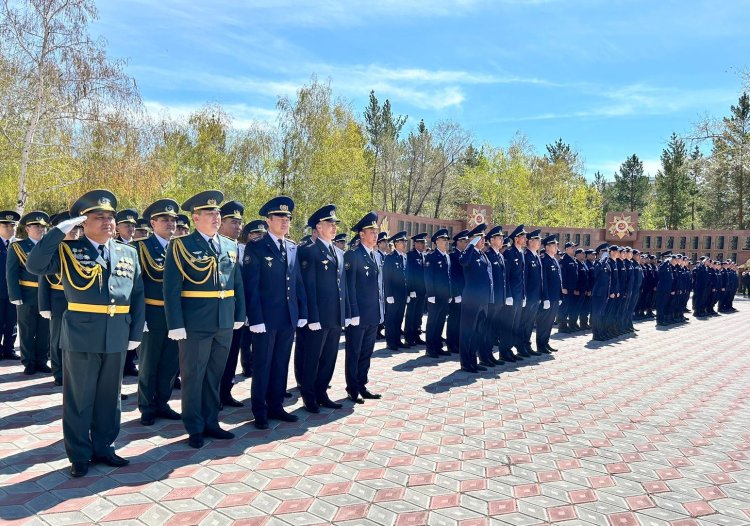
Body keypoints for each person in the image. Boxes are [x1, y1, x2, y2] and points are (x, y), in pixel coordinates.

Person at [26, 189, 145, 478]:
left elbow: (138, 293)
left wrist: (135, 331)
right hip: (81, 335)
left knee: (110, 397)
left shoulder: (128, 252)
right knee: (80, 399)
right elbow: (34, 265)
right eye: (98, 217)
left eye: (110, 217)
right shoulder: (68, 251)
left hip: (117, 333)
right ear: (84, 223)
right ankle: (79, 454)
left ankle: (105, 447)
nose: (107, 222)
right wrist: (57, 233)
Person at [163, 190, 246, 449]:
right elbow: (171, 288)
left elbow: (237, 283)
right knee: (193, 376)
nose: (216, 217)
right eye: (210, 213)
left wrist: (239, 314)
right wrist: (175, 323)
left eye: (218, 213)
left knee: (214, 375)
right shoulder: (181, 245)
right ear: (195, 218)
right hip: (195, 323)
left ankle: (211, 421)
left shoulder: (230, 245)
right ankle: (194, 426)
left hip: (224, 321)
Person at [244, 196, 307, 429]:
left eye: (288, 217)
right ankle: (259, 409)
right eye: (280, 217)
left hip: (287, 317)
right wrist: (256, 319)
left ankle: (276, 405)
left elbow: (297, 282)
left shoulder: (292, 247)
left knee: (281, 362)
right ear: (268, 220)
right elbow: (252, 286)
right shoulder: (257, 247)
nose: (285, 221)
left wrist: (301, 312)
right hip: (266, 319)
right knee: (263, 364)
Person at [135, 199, 182, 426]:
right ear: (153, 223)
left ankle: (163, 402)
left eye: (173, 220)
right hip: (151, 313)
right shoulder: (141, 247)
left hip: (175, 316)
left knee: (170, 363)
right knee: (149, 363)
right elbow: (136, 286)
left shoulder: (181, 247)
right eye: (165, 219)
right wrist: (139, 316)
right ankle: (146, 406)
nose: (170, 224)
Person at [298, 204, 348, 413]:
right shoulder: (309, 251)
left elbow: (341, 286)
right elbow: (308, 287)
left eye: (335, 223)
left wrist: (344, 314)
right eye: (329, 223)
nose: (334, 227)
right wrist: (313, 317)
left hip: (335, 315)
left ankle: (322, 393)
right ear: (318, 227)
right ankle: (309, 396)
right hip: (318, 316)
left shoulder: (337, 252)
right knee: (312, 358)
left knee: (329, 357)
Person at [38, 212, 82, 386]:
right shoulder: (54, 251)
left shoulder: (83, 249)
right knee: (57, 339)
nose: (75, 232)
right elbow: (43, 278)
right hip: (58, 300)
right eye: (71, 228)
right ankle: (59, 373)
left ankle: (77, 374)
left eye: (78, 228)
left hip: (80, 302)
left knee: (78, 341)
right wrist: (44, 306)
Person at [343, 212, 382, 403]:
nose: (375, 235)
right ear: (361, 234)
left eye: (376, 231)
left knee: (366, 353)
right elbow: (349, 286)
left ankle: (362, 384)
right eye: (371, 232)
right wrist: (352, 313)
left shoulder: (376, 255)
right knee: (354, 353)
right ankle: (352, 388)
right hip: (358, 315)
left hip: (373, 314)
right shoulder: (353, 255)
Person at [8, 211, 51, 375]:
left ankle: (41, 360)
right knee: (27, 329)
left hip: (46, 294)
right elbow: (11, 273)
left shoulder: (50, 246)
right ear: (27, 228)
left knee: (44, 330)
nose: (40, 229)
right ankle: (28, 362)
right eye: (36, 226)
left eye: (43, 226)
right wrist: (15, 295)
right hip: (27, 294)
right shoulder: (18, 247)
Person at [216, 200, 246, 409]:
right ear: (221, 223)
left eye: (240, 222)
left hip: (235, 313)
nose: (238, 227)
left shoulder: (242, 248)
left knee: (232, 354)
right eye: (233, 222)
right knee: (216, 359)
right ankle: (213, 395)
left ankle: (225, 392)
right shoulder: (215, 245)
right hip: (216, 312)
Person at [458, 223, 492, 373]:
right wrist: (470, 244)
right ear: (472, 239)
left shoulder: (482, 254)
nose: (483, 241)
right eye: (480, 238)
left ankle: (473, 360)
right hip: (471, 300)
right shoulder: (469, 253)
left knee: (478, 332)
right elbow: (462, 261)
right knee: (467, 332)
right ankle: (466, 362)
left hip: (483, 301)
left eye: (484, 238)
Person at [238, 219, 267, 377]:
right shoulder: (240, 249)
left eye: (262, 233)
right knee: (245, 338)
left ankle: (254, 365)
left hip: (260, 300)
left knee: (258, 338)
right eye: (256, 233)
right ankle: (246, 366)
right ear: (247, 235)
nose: (259, 236)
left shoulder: (262, 250)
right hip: (244, 299)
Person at [423, 228, 453, 359]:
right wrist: (430, 295)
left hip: (445, 296)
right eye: (444, 240)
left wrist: (450, 294)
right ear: (437, 242)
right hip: (435, 296)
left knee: (441, 321)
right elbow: (428, 278)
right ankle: (430, 348)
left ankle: (438, 346)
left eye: (447, 240)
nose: (446, 242)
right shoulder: (431, 256)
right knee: (432, 322)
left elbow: (449, 277)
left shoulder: (447, 256)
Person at [479, 226, 506, 366]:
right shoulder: (487, 254)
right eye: (499, 238)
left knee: (493, 328)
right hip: (491, 299)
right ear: (491, 240)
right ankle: (484, 356)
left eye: (502, 238)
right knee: (486, 328)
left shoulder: (500, 255)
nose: (502, 240)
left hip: (499, 299)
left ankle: (489, 354)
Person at [383, 231, 409, 351]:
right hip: (393, 294)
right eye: (402, 241)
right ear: (396, 243)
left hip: (402, 294)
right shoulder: (390, 258)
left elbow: (406, 277)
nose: (404, 243)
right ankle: (390, 341)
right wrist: (388, 294)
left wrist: (407, 293)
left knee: (399, 318)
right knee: (391, 319)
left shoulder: (404, 257)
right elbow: (387, 277)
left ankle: (397, 340)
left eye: (405, 241)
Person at [504, 225, 528, 359]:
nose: (525, 239)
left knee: (516, 324)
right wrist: (508, 295)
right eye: (523, 237)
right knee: (509, 324)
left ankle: (510, 350)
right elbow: (506, 276)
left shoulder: (521, 253)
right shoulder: (509, 253)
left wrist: (523, 295)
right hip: (512, 295)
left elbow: (522, 277)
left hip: (519, 295)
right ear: (516, 239)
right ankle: (504, 351)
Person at [520, 229, 545, 355]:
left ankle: (527, 345)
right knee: (524, 322)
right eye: (537, 240)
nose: (539, 242)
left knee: (530, 323)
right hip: (529, 296)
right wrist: (525, 295)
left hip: (536, 296)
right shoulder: (526, 256)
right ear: (530, 242)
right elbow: (524, 278)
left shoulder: (536, 256)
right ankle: (521, 346)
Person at [0, 211, 20, 360]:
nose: (9, 228)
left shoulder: (20, 245)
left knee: (12, 322)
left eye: (12, 225)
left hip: (14, 291)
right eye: (5, 225)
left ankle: (9, 349)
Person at [446, 230, 469, 355]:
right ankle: (451, 344)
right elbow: (453, 277)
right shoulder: (453, 256)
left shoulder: (465, 255)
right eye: (463, 241)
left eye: (466, 241)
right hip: (458, 294)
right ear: (457, 243)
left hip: (466, 293)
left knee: (462, 320)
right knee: (454, 320)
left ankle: (458, 343)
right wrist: (456, 294)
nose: (466, 243)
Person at [538, 235, 562, 353]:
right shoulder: (544, 260)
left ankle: (546, 342)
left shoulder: (554, 260)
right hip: (548, 298)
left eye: (556, 245)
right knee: (544, 322)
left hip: (555, 297)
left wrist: (560, 296)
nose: (556, 247)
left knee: (550, 322)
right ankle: (541, 345)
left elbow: (559, 281)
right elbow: (544, 281)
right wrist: (545, 298)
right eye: (554, 245)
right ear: (547, 247)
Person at [404, 233, 427, 346]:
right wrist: (410, 290)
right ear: (416, 243)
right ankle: (409, 337)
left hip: (422, 291)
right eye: (422, 243)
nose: (424, 245)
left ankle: (416, 335)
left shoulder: (423, 255)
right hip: (414, 291)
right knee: (411, 314)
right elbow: (409, 274)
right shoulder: (410, 255)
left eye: (424, 243)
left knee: (419, 315)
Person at [591, 243, 612, 341]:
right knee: (597, 314)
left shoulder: (607, 264)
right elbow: (595, 274)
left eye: (607, 252)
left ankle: (601, 332)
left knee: (602, 314)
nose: (607, 254)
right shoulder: (598, 263)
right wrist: (602, 261)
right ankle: (596, 334)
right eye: (605, 252)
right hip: (598, 293)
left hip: (605, 293)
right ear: (600, 253)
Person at [559, 242, 579, 333]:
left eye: (574, 248)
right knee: (564, 307)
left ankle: (567, 325)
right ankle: (562, 326)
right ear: (567, 249)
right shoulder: (564, 260)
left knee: (569, 307)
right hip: (566, 289)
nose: (573, 249)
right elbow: (562, 275)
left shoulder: (573, 259)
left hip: (572, 288)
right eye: (572, 248)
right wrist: (563, 287)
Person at [374, 231, 388, 340]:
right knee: (379, 308)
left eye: (386, 242)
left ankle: (381, 329)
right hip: (379, 286)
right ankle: (376, 330)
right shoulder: (376, 255)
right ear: (378, 244)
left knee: (384, 310)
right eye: (383, 242)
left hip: (385, 286)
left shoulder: (387, 256)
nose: (386, 244)